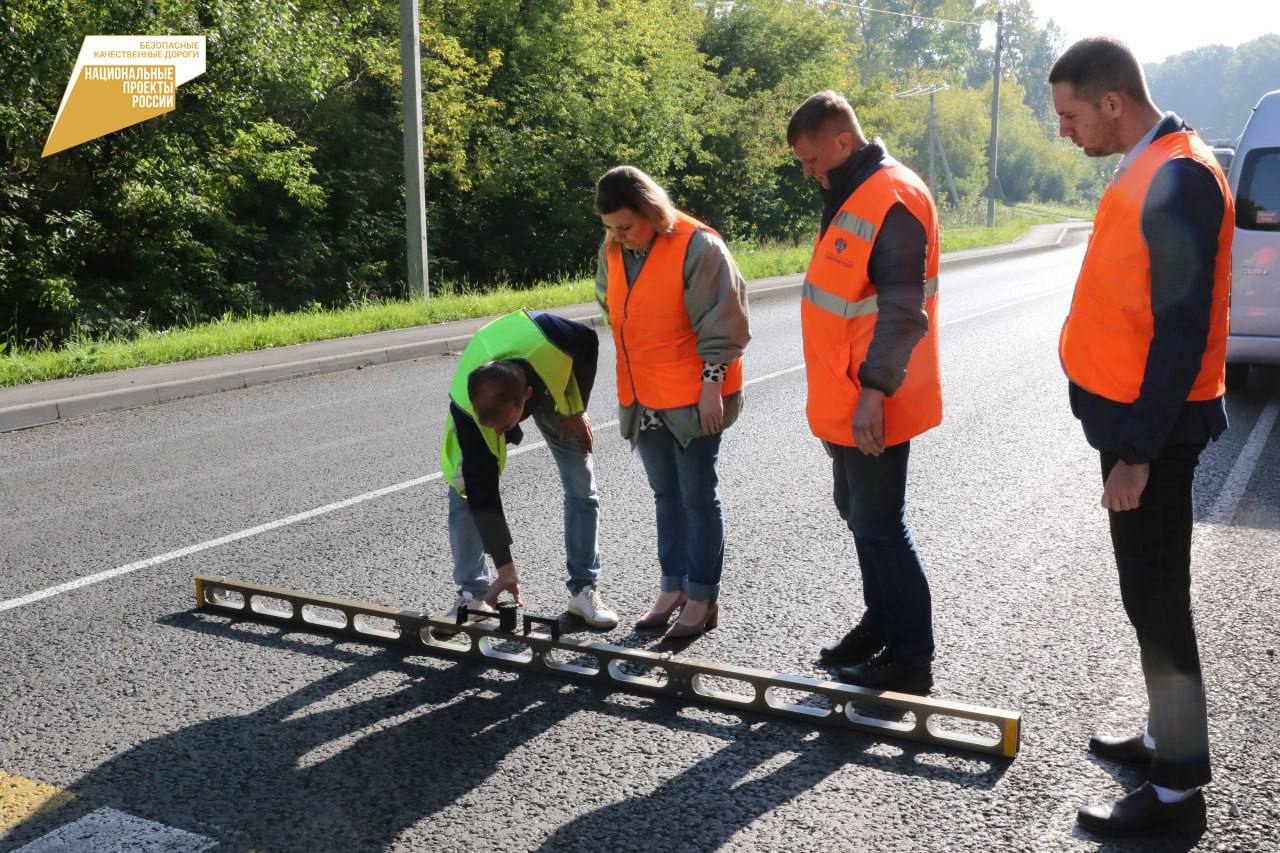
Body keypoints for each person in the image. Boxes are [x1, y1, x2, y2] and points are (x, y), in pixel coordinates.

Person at [1050, 38, 1233, 836]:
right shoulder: (1151, 159)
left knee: (1159, 601)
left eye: (1070, 115)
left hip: (1149, 432)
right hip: (1129, 420)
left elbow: (1181, 330)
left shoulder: (1179, 174)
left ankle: (1175, 788)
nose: (1066, 132)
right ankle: (1164, 738)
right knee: (1144, 594)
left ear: (1113, 103)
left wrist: (1137, 453)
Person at [787, 91, 941, 694]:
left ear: (842, 143)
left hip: (875, 397)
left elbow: (902, 312)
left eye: (810, 159)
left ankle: (910, 658)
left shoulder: (891, 198)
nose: (807, 172)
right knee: (860, 518)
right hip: (845, 399)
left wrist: (872, 393)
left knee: (880, 524)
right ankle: (881, 627)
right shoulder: (852, 190)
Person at [594, 165, 750, 640]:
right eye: (611, 228)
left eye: (627, 225)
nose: (619, 237)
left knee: (698, 497)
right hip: (645, 397)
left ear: (651, 211)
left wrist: (711, 388)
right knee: (666, 496)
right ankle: (672, 588)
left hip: (695, 395)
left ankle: (702, 596)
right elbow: (616, 311)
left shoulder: (698, 247)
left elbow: (725, 325)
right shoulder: (614, 250)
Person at [438, 309, 618, 633]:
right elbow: (484, 494)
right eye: (490, 426)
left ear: (526, 398)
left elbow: (589, 342)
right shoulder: (469, 410)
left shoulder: (554, 336)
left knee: (581, 483)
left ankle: (584, 589)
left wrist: (577, 410)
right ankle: (473, 597)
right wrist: (506, 569)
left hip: (551, 386)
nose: (499, 433)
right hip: (493, 395)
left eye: (505, 425)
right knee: (465, 485)